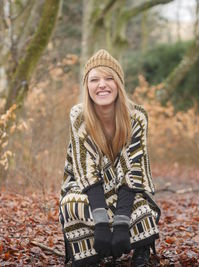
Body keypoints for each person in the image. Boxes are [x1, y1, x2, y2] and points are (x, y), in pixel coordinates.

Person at [59, 49, 161, 267]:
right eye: (94, 79)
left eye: (109, 78)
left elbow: (133, 171)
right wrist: (102, 223)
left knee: (143, 206)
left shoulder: (137, 117)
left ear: (119, 84)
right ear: (87, 86)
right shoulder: (78, 116)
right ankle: (88, 252)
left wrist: (122, 224)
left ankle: (141, 248)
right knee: (71, 203)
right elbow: (85, 172)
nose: (101, 85)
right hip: (86, 187)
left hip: (122, 188)